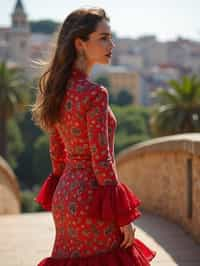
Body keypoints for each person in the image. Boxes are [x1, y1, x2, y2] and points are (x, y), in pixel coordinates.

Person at [31, 7, 157, 266]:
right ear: (80, 43)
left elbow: (56, 153)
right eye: (103, 37)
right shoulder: (94, 94)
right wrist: (122, 217)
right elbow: (103, 159)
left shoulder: (57, 90)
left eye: (111, 37)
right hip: (93, 200)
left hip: (65, 198)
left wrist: (64, 191)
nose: (112, 44)